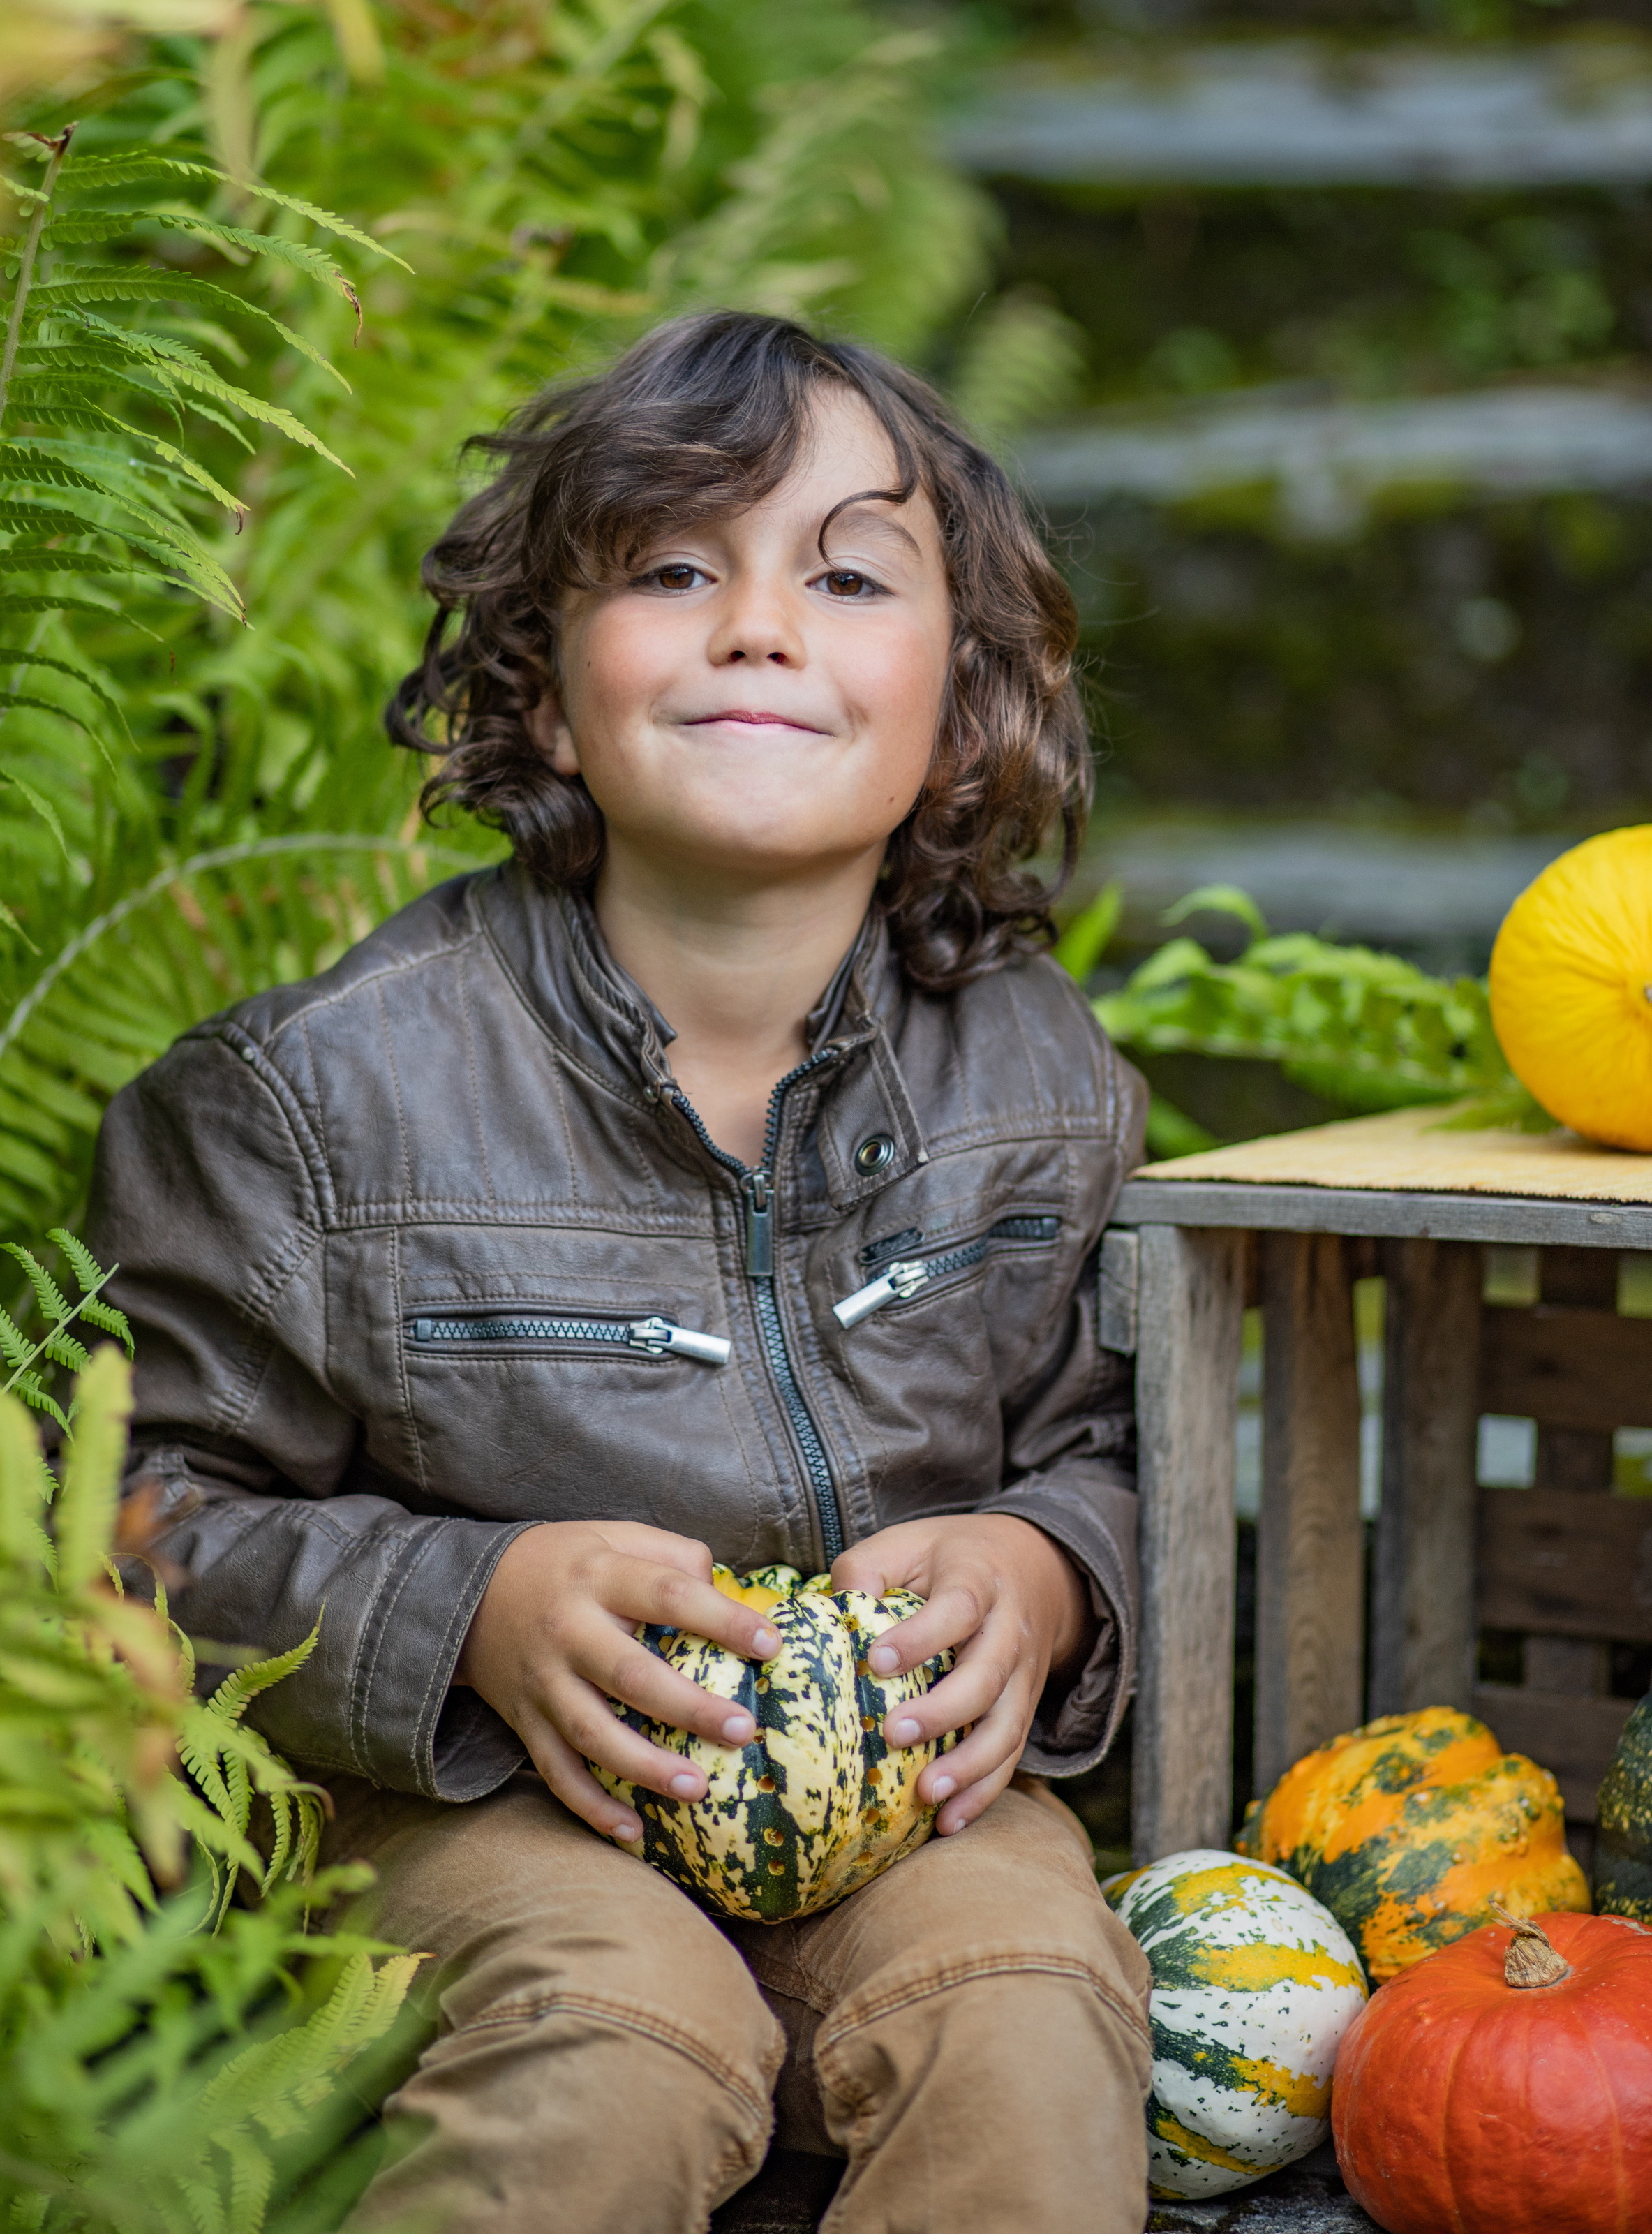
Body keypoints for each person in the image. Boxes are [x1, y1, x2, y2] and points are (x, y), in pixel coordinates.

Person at [88, 310, 1153, 2234]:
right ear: (549, 695)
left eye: (845, 573)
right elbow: (135, 1523)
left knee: (1029, 2007)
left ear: (962, 705)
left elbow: (1113, 1439)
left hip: (892, 1806)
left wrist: (1048, 1572)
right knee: (622, 2031)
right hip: (448, 1807)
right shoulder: (317, 1103)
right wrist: (465, 1604)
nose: (760, 623)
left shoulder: (1037, 1078)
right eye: (677, 569)